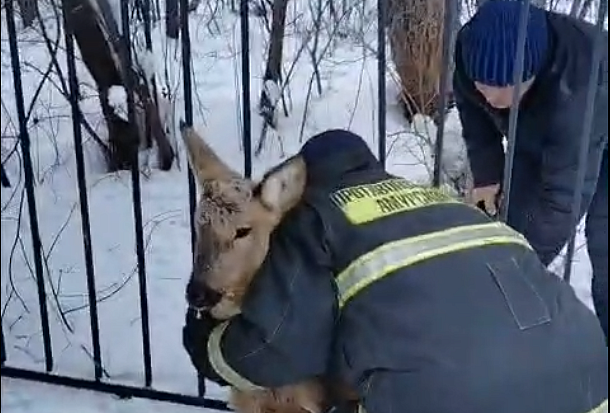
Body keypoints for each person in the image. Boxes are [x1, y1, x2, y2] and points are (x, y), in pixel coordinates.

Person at [182, 129, 607, 413]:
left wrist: (205, 345)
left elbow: (274, 350)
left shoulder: (312, 220)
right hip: (590, 380)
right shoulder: (436, 200)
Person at [452, 0, 608, 341]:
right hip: (537, 130)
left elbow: (563, 200)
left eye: (506, 90)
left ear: (533, 73)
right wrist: (488, 176)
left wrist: (520, 268)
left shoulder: (579, 86)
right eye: (484, 86)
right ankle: (506, 331)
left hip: (595, 125)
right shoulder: (470, 51)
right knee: (514, 226)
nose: (492, 98)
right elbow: (475, 118)